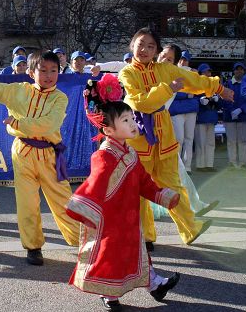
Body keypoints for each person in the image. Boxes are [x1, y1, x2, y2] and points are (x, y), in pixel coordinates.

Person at [0, 50, 80, 265]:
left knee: (64, 200)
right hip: (23, 153)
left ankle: (80, 240)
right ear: (30, 72)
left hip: (49, 154)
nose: (49, 75)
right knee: (27, 203)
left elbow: (51, 123)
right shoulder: (17, 91)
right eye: (43, 70)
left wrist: (18, 124)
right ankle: (33, 246)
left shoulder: (60, 98)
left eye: (54, 70)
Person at [66, 77, 181, 311]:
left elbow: (143, 182)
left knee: (137, 252)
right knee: (111, 258)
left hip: (129, 217)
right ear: (108, 129)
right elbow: (95, 183)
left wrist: (162, 195)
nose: (132, 123)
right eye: (125, 120)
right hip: (110, 221)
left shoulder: (130, 152)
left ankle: (155, 285)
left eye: (132, 118)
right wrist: (84, 206)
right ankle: (109, 295)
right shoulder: (104, 155)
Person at [118, 27, 234, 247]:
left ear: (156, 51)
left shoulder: (165, 69)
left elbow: (193, 79)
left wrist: (217, 88)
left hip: (164, 138)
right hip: (139, 138)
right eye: (141, 44)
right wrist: (168, 89)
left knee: (173, 185)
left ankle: (190, 228)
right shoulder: (127, 73)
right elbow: (141, 103)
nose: (144, 49)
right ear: (132, 45)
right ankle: (144, 236)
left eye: (150, 46)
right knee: (139, 192)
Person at [156, 44, 219, 218]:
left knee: (178, 169)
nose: (164, 60)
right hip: (140, 130)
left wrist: (219, 88)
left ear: (176, 64)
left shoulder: (176, 76)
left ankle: (195, 205)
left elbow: (198, 82)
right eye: (162, 56)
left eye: (169, 59)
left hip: (161, 128)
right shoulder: (147, 70)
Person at [194, 64, 221, 171]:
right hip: (200, 117)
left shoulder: (214, 85)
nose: (208, 74)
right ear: (200, 73)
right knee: (201, 142)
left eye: (209, 72)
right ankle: (200, 165)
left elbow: (220, 103)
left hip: (211, 117)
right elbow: (193, 100)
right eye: (205, 72)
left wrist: (217, 99)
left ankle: (209, 164)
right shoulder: (196, 85)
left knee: (210, 143)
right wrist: (200, 101)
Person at [222, 62, 246, 169]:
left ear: (244, 71)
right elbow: (223, 98)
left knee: (242, 141)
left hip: (243, 116)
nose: (239, 71)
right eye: (237, 69)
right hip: (229, 116)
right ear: (234, 71)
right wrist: (232, 110)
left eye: (241, 69)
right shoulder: (227, 84)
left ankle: (243, 162)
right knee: (231, 141)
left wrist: (241, 109)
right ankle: (232, 162)